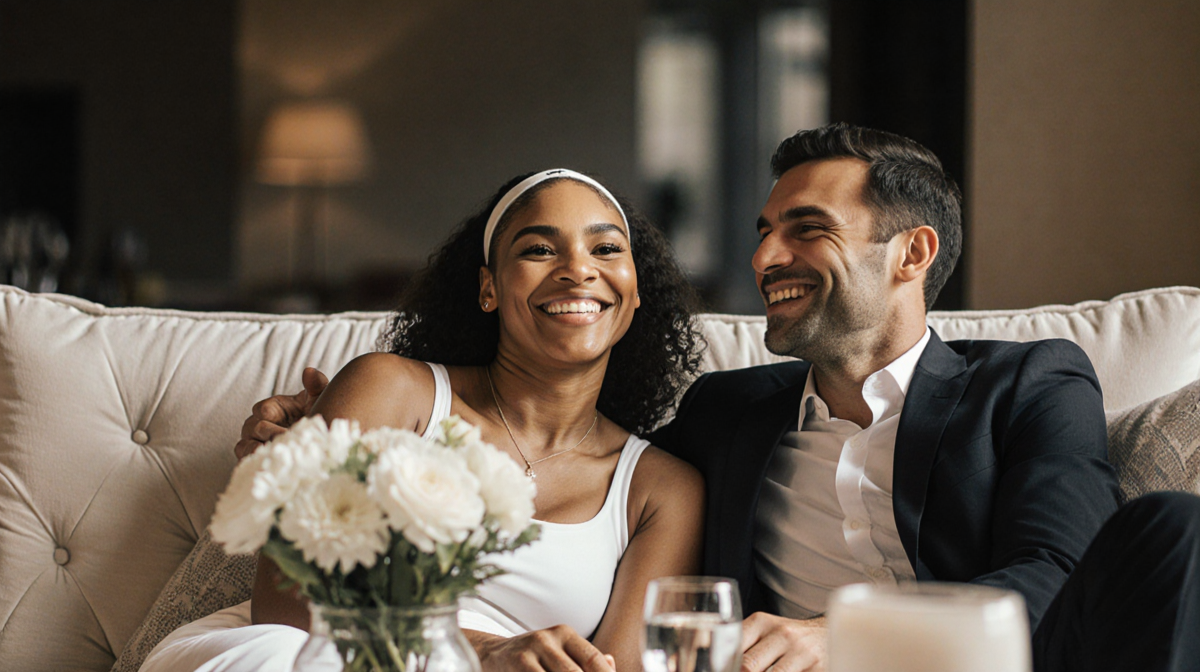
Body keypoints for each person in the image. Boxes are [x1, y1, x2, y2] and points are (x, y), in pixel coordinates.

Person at [251, 125, 1200, 672]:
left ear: (911, 254)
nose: (764, 259)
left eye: (806, 229)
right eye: (762, 230)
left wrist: (845, 640)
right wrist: (308, 448)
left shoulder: (1028, 382)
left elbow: (1058, 572)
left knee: (1175, 533)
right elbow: (572, 443)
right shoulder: (721, 417)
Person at [142, 168, 707, 672]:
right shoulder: (390, 391)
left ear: (635, 296)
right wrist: (477, 653)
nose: (577, 270)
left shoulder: (661, 490)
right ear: (489, 288)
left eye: (606, 249)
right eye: (539, 250)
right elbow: (287, 603)